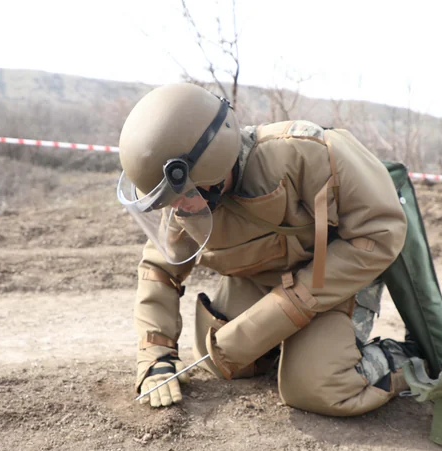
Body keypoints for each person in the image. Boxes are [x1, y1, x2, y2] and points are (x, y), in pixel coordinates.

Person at [117, 82, 421, 416]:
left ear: (211, 166)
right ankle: (289, 346)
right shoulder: (187, 197)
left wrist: (287, 308)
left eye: (179, 197)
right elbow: (160, 268)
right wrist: (156, 357)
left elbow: (380, 233)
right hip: (263, 274)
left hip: (334, 278)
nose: (175, 210)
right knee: (220, 357)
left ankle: (407, 358)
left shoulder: (306, 153)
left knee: (317, 387)